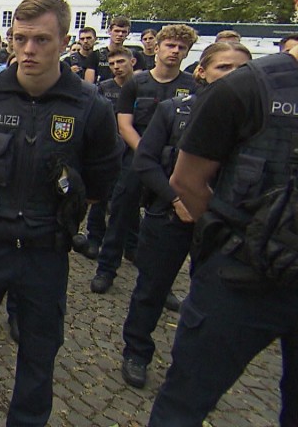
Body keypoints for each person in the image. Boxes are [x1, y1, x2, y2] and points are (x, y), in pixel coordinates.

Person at [0, 0, 121, 427]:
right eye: (21, 39)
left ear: (65, 39)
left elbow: (103, 180)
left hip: (45, 251)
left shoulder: (90, 106)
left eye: (41, 39)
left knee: (39, 351)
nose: (29, 50)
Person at [148, 44, 298, 425]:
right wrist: (240, 241)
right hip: (239, 281)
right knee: (185, 404)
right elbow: (187, 180)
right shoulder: (246, 87)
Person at [120, 41, 251, 389]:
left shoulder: (256, 122)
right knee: (151, 289)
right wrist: (176, 199)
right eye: (224, 67)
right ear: (201, 72)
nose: (233, 77)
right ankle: (136, 351)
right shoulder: (172, 111)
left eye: (242, 70)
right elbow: (145, 161)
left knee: (211, 299)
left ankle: (193, 363)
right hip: (169, 216)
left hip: (222, 226)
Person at [91, 24, 198, 295]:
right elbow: (124, 124)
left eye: (181, 47)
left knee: (166, 227)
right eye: (170, 45)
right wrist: (147, 156)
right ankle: (106, 269)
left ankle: (161, 286)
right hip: (135, 160)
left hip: (173, 166)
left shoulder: (192, 86)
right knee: (120, 215)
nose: (174, 51)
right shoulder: (137, 83)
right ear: (158, 48)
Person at [77, 47, 136, 259]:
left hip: (132, 150)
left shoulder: (140, 88)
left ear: (132, 62)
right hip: (107, 148)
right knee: (100, 198)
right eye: (112, 64)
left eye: (121, 62)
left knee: (127, 200)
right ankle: (94, 238)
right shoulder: (102, 88)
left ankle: (130, 244)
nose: (116, 67)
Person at [84, 17, 146, 84]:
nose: (120, 34)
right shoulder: (95, 55)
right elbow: (89, 84)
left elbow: (137, 82)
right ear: (109, 31)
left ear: (128, 33)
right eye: (117, 31)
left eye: (123, 32)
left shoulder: (135, 56)